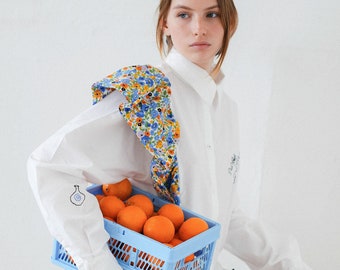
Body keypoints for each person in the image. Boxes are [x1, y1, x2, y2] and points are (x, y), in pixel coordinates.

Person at [27, 0, 312, 269]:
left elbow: (225, 215)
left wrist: (285, 259)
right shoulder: (148, 95)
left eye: (211, 14)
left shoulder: (226, 109)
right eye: (184, 14)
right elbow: (49, 164)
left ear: (228, 22)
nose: (199, 27)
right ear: (165, 23)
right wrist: (98, 261)